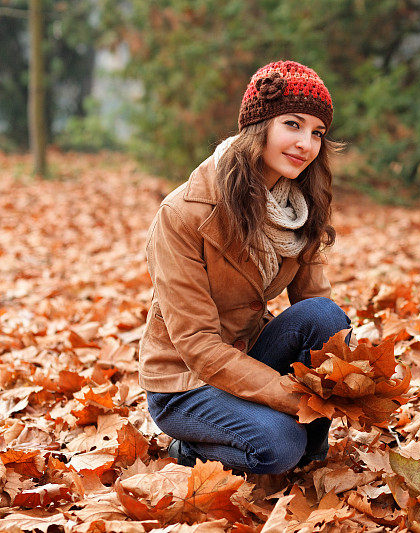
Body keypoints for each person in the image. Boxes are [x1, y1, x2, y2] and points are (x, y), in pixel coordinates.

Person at [138, 60, 351, 475]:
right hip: (185, 381)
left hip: (248, 353)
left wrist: (354, 379)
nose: (306, 144)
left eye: (317, 132)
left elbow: (316, 305)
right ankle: (190, 448)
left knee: (327, 318)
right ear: (260, 126)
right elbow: (197, 345)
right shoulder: (183, 214)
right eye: (292, 124)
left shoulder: (298, 206)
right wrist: (294, 399)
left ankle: (311, 449)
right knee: (278, 446)